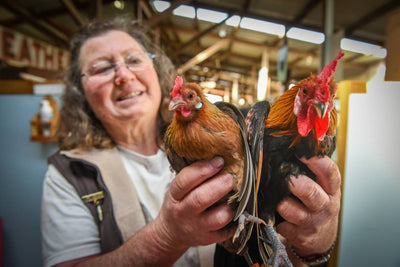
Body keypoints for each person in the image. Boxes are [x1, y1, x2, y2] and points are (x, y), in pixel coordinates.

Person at [41, 17, 341, 267]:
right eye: (102, 68)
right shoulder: (70, 174)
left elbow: (276, 248)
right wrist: (166, 236)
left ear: (156, 72)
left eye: (134, 60)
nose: (123, 75)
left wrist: (315, 248)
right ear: (80, 90)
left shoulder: (236, 131)